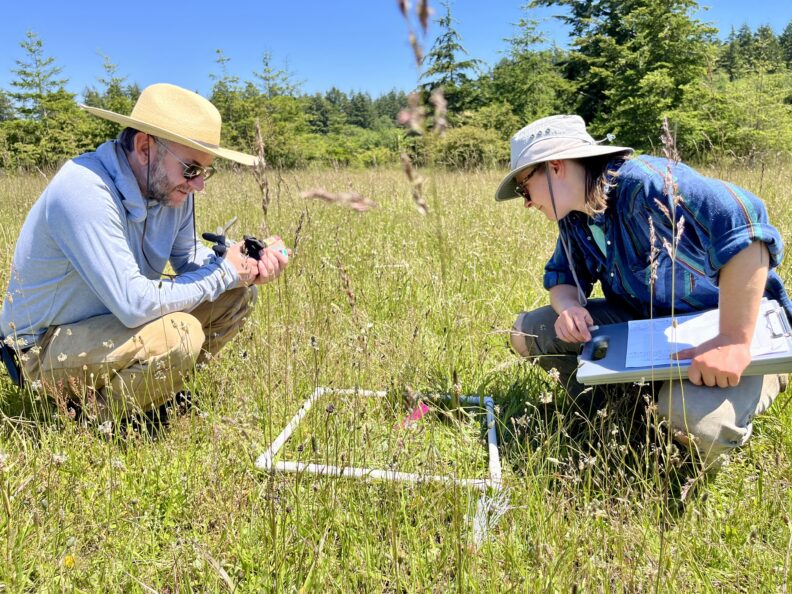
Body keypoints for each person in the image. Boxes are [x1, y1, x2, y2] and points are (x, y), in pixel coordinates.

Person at [497, 114, 791, 469]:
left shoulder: (648, 185)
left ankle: (755, 384)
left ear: (555, 166)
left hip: (728, 327)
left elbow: (747, 222)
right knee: (526, 332)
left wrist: (732, 341)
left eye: (524, 188)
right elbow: (562, 277)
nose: (526, 202)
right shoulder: (575, 218)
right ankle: (623, 410)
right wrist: (568, 307)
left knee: (699, 428)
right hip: (648, 326)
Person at [0, 83, 289, 422]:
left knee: (239, 294)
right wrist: (223, 273)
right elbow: (134, 304)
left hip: (111, 324)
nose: (199, 184)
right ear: (143, 147)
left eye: (205, 171)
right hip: (43, 347)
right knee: (181, 334)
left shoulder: (170, 190)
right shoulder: (83, 189)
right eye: (191, 169)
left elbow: (186, 258)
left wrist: (237, 262)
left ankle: (155, 393)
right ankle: (93, 420)